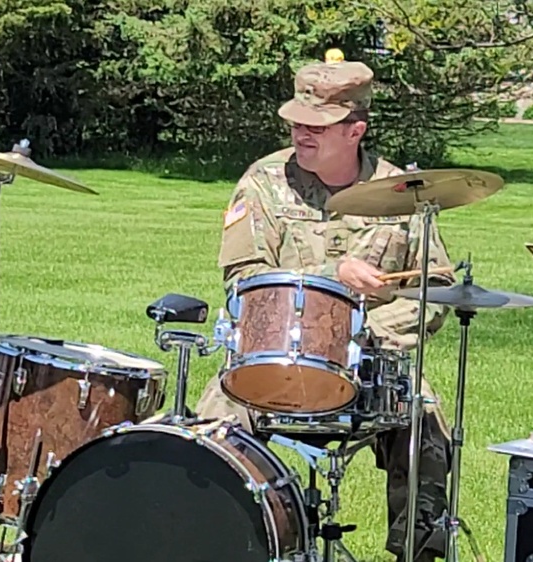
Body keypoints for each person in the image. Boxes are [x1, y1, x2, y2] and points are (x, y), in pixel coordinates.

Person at [197, 49, 457, 562]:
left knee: (426, 424)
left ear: (354, 130)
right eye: (296, 121)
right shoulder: (264, 183)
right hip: (276, 354)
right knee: (212, 432)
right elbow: (241, 283)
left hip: (372, 361)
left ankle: (419, 552)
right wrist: (328, 280)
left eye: (317, 125)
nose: (301, 132)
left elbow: (437, 289)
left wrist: (364, 334)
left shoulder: (403, 192)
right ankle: (217, 543)